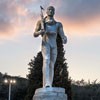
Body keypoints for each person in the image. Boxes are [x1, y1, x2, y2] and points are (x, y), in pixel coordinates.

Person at [34, 6, 67, 88]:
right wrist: (40, 32)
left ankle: (49, 84)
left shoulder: (58, 24)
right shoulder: (41, 22)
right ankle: (46, 83)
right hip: (45, 44)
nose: (51, 11)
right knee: (46, 60)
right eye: (49, 9)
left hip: (54, 46)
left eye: (52, 10)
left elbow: (62, 34)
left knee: (51, 64)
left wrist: (64, 38)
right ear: (46, 12)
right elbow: (34, 34)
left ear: (54, 12)